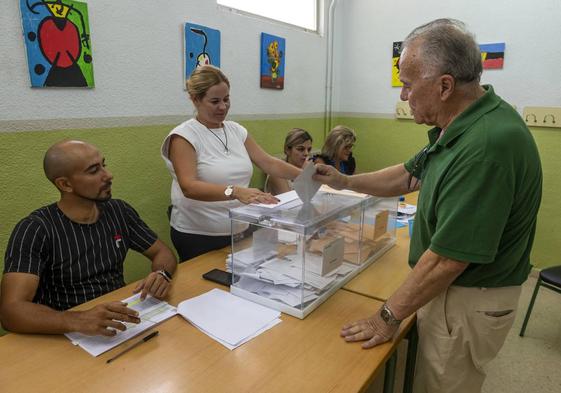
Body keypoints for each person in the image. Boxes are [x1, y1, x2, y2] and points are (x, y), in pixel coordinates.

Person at [314, 18, 542, 393]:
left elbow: (449, 259)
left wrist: (387, 316)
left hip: (468, 298)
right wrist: (345, 182)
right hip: (453, 291)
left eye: (406, 85)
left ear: (445, 85)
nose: (403, 96)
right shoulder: (463, 123)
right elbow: (408, 175)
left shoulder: (485, 146)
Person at [0, 140, 177, 336]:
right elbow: (11, 312)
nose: (108, 175)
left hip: (119, 320)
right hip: (64, 332)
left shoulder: (119, 211)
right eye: (94, 171)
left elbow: (162, 252)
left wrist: (161, 274)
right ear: (65, 184)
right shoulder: (35, 229)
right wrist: (78, 319)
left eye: (104, 165)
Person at [161, 65, 301, 261]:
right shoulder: (184, 137)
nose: (223, 107)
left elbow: (268, 162)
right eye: (215, 101)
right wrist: (235, 192)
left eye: (226, 99)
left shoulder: (235, 130)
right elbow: (189, 187)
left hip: (239, 229)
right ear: (195, 99)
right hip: (199, 235)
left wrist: (307, 174)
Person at [264, 127, 313, 195]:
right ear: (287, 150)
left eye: (309, 149)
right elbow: (292, 201)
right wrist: (304, 176)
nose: (306, 153)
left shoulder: (307, 167)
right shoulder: (277, 173)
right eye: (300, 149)